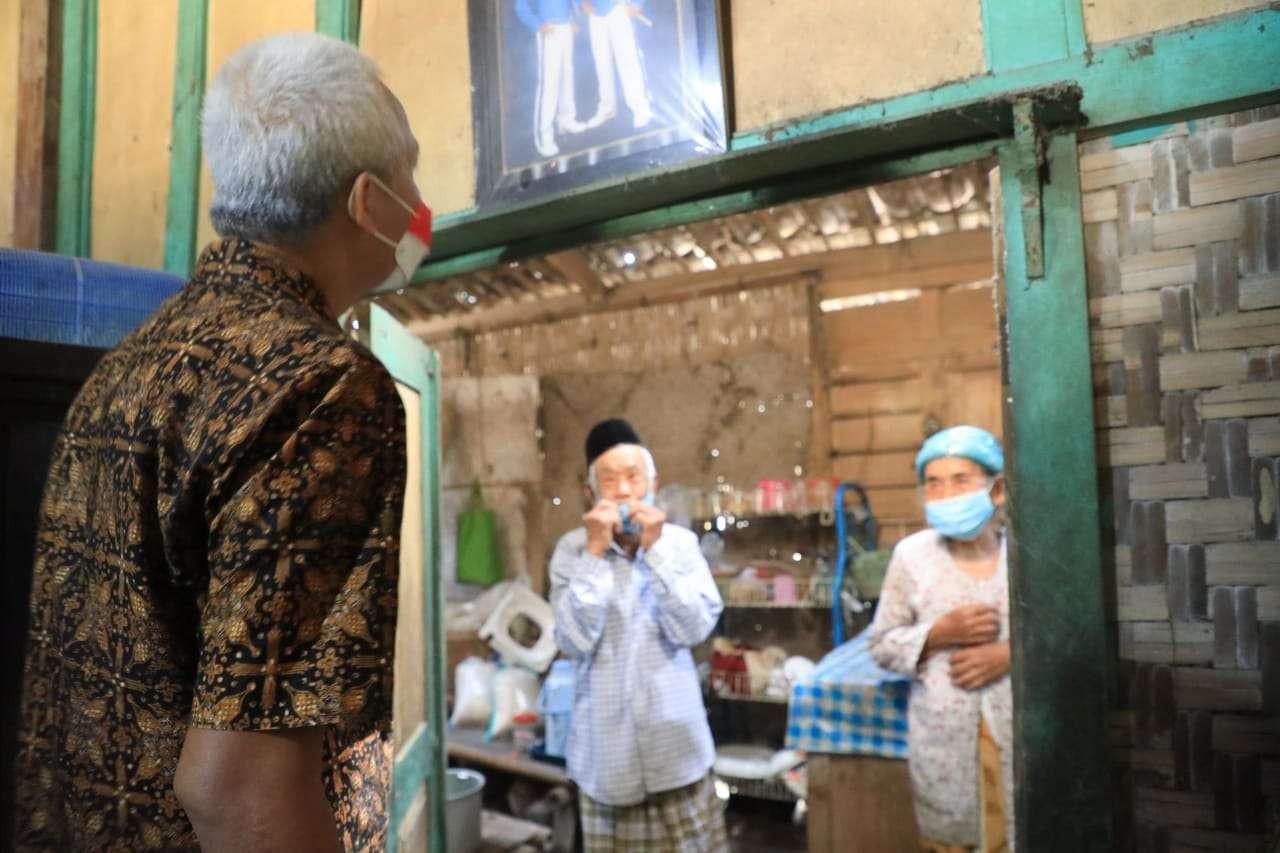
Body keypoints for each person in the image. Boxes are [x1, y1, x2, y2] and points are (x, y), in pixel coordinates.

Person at [14, 33, 429, 852]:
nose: (421, 204)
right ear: (369, 201)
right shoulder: (323, 385)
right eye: (411, 173)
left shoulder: (126, 367)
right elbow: (240, 788)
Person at [549, 418, 727, 851]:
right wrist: (594, 555)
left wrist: (656, 550)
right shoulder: (572, 551)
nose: (625, 491)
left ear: (653, 485)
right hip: (608, 761)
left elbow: (695, 629)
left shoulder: (680, 545)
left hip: (678, 753)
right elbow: (572, 642)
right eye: (610, 482)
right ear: (591, 495)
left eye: (634, 478)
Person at [867, 426, 1013, 853]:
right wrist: (939, 633)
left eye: (961, 480)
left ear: (997, 488)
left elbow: (1064, 637)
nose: (947, 493)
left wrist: (1011, 654)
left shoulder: (1025, 554)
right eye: (934, 482)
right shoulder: (912, 557)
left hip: (1019, 735)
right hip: (943, 743)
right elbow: (881, 645)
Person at [515, 0, 588, 158]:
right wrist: (537, 24)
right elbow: (521, 6)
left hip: (566, 28)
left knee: (567, 77)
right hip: (549, 30)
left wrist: (572, 19)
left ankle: (566, 120)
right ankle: (544, 136)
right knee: (549, 84)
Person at [583, 0, 654, 129]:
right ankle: (607, 108)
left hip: (618, 9)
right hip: (595, 12)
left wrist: (637, 3)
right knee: (602, 64)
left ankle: (640, 107)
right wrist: (581, 2)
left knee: (628, 61)